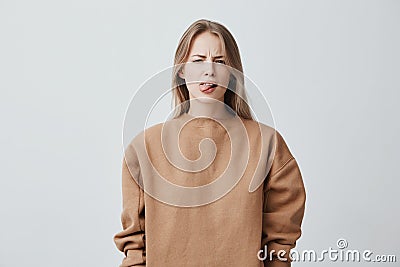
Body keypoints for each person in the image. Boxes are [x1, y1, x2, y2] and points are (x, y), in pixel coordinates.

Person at [113, 19, 306, 267]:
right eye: (198, 60)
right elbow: (134, 244)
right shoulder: (144, 148)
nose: (209, 71)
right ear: (181, 70)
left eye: (220, 61)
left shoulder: (267, 143)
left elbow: (281, 238)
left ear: (233, 72)